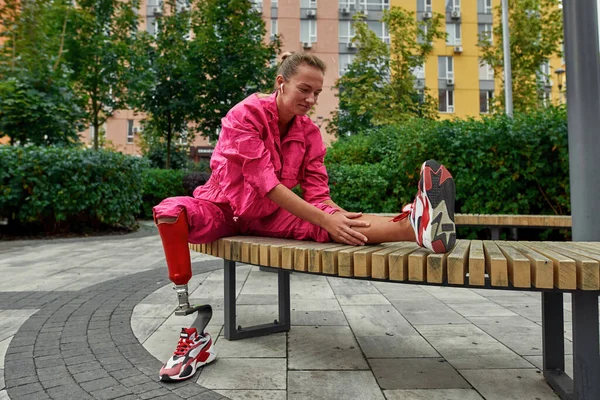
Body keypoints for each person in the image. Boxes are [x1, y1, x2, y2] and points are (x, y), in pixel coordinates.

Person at [153, 52, 456, 382]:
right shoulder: (245, 115)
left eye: (317, 93)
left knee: (334, 223)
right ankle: (186, 311)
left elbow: (318, 197)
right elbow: (266, 184)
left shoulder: (309, 133)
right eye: (304, 89)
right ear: (281, 83)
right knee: (170, 211)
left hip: (268, 216)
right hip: (221, 208)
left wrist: (335, 217)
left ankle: (416, 226)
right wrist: (326, 219)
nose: (311, 99)